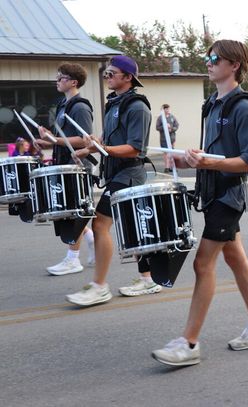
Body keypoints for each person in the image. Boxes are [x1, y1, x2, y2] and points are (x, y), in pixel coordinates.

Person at [151, 39, 248, 367]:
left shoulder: (244, 107)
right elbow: (215, 153)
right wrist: (194, 158)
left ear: (234, 65)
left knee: (202, 264)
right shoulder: (213, 103)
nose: (208, 62)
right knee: (236, 260)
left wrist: (208, 163)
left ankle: (189, 343)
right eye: (208, 57)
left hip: (228, 196)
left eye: (214, 58)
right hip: (212, 193)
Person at [67, 55, 161, 306]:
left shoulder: (138, 107)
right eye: (105, 73)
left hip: (129, 173)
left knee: (99, 225)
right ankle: (148, 279)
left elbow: (135, 148)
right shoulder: (114, 103)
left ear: (128, 77)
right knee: (133, 228)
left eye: (111, 73)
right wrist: (88, 149)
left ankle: (99, 286)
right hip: (116, 173)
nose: (106, 77)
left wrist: (101, 147)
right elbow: (106, 138)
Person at [34, 63, 95, 276]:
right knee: (68, 213)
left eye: (61, 78)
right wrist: (47, 142)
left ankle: (73, 259)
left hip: (77, 167)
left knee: (73, 213)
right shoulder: (63, 105)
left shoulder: (80, 107)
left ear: (73, 82)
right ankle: (91, 240)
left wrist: (55, 139)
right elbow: (64, 140)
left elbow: (85, 139)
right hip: (64, 165)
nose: (57, 81)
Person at [156, 103, 179, 173]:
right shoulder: (160, 118)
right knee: (166, 153)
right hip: (163, 138)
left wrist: (171, 129)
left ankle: (172, 167)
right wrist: (164, 127)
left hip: (172, 138)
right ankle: (167, 167)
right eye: (165, 109)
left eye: (168, 108)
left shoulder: (172, 117)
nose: (167, 110)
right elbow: (157, 127)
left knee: (172, 152)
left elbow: (177, 126)